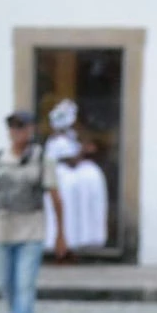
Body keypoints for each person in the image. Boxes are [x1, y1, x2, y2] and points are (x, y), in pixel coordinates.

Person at [0, 111, 67, 313]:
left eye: (21, 127)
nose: (16, 132)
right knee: (4, 283)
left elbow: (56, 199)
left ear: (31, 129)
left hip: (31, 231)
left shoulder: (42, 160)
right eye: (13, 127)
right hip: (4, 230)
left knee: (25, 285)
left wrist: (61, 233)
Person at [43, 98, 109, 252]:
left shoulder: (71, 136)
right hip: (63, 177)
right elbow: (68, 159)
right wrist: (83, 151)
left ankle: (85, 236)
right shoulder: (57, 141)